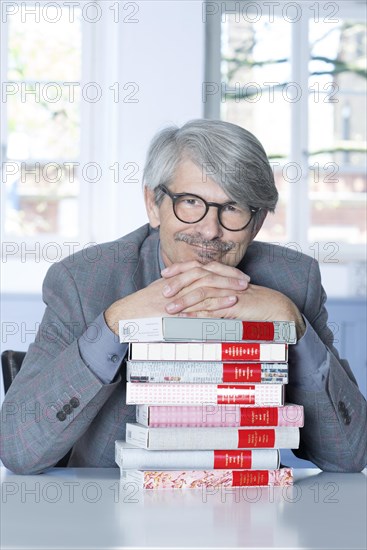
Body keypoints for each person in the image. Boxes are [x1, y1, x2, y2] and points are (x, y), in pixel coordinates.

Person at [1, 119, 366, 474]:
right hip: (112, 512)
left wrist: (296, 327)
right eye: (191, 202)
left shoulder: (294, 281)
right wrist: (112, 325)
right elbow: (19, 451)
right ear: (152, 204)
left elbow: (350, 457)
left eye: (233, 208)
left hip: (245, 506)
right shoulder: (83, 281)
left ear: (257, 222)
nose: (209, 231)